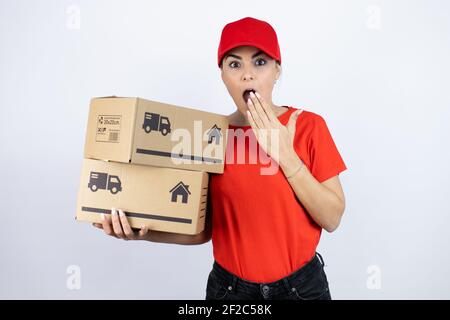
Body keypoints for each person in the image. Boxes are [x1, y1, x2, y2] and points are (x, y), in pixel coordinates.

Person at [92, 17, 347, 301]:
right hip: (229, 292)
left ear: (277, 70)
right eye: (234, 64)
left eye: (260, 62)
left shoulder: (309, 126)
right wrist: (143, 232)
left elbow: (332, 217)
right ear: (223, 75)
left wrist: (286, 156)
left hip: (301, 290)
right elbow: (202, 230)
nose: (247, 75)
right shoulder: (210, 135)